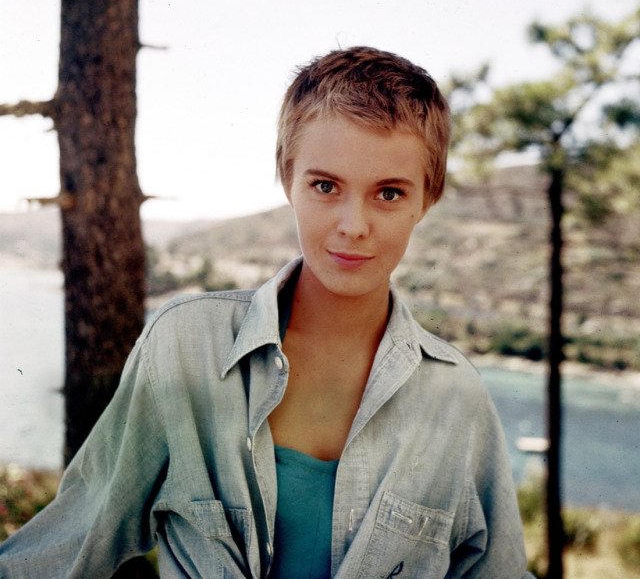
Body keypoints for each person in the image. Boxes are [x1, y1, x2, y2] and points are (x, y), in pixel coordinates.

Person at [0, 46, 532, 578]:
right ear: (288, 180)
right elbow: (69, 546)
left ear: (427, 199)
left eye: (388, 193)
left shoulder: (457, 397)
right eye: (325, 186)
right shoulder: (186, 349)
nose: (353, 225)